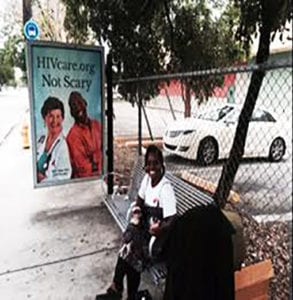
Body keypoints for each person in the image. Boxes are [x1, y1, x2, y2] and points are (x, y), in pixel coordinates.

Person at [106, 145, 177, 300]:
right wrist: (137, 212)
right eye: (149, 163)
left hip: (158, 240)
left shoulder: (166, 189)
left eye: (156, 163)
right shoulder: (147, 179)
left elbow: (172, 220)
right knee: (130, 240)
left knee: (131, 245)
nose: (152, 167)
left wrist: (160, 228)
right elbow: (139, 200)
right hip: (144, 230)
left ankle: (117, 286)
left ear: (161, 165)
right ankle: (127, 292)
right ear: (146, 166)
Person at [66, 91, 103, 178]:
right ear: (71, 112)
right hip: (86, 183)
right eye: (74, 106)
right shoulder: (72, 136)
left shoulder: (97, 125)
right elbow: (83, 169)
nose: (78, 107)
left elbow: (106, 149)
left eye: (79, 102)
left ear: (85, 103)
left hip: (102, 178)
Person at [36, 97, 72, 183]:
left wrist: (44, 180)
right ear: (45, 118)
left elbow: (65, 177)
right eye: (51, 116)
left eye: (58, 116)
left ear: (62, 119)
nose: (55, 121)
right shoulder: (40, 139)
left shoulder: (63, 146)